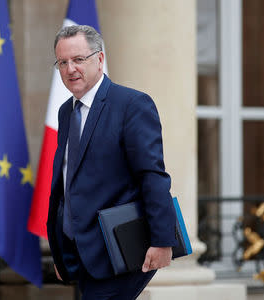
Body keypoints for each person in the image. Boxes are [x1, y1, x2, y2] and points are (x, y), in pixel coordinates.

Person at [46, 25, 177, 300]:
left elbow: (152, 175)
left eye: (79, 60)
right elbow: (66, 182)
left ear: (100, 59)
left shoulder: (131, 105)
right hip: (81, 252)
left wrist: (163, 241)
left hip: (122, 249)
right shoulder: (65, 112)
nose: (70, 69)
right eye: (62, 62)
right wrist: (60, 250)